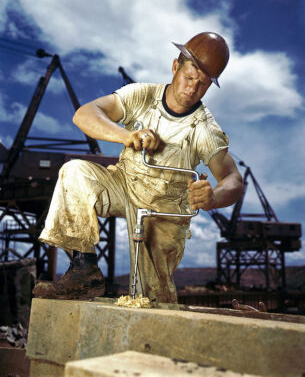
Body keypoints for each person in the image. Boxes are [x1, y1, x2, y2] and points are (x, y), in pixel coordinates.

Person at [33, 32, 244, 303]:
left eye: (202, 85)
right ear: (175, 66)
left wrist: (214, 197)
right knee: (75, 172)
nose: (192, 89)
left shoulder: (204, 128)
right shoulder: (142, 96)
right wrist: (124, 136)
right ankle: (84, 271)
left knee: (152, 299)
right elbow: (84, 114)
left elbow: (233, 179)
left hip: (164, 211)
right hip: (124, 184)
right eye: (189, 78)